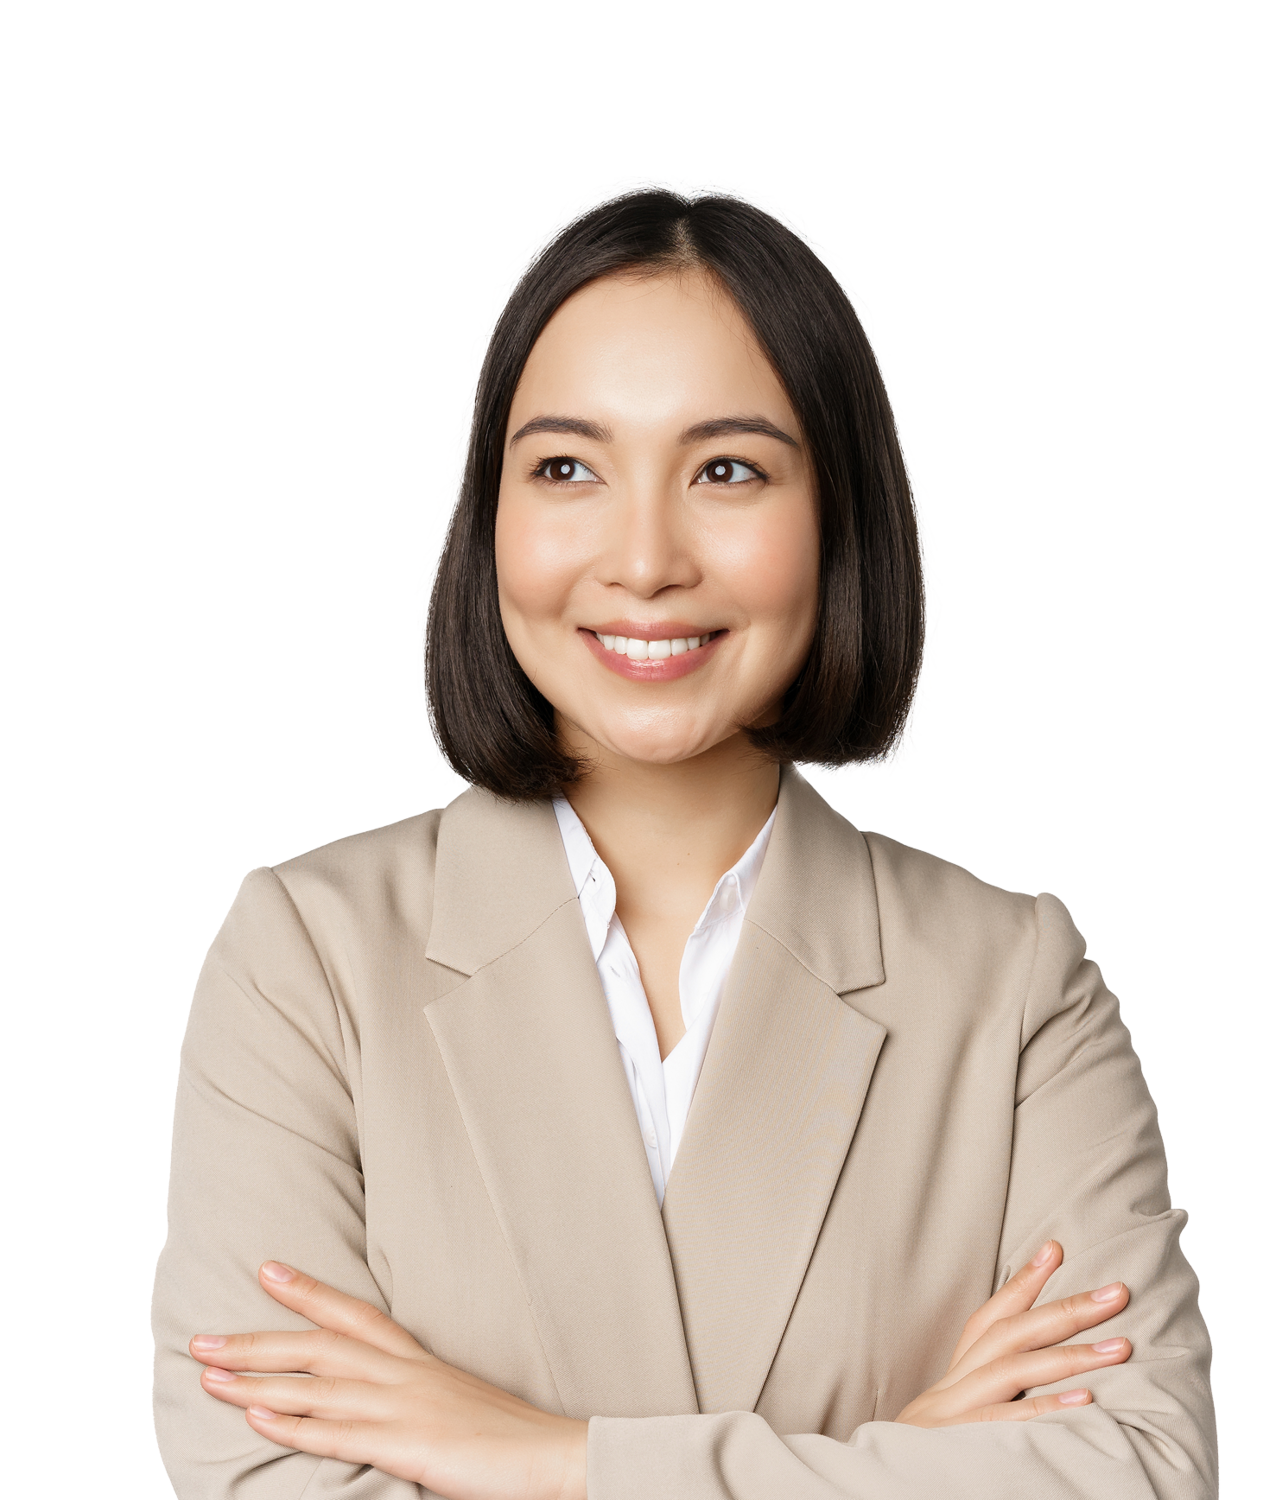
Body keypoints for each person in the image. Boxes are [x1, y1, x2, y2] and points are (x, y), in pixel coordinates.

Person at [150, 175, 1217, 1498]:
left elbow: (1136, 1473)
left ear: (838, 520)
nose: (644, 557)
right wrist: (902, 1461)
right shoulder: (306, 957)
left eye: (726, 470)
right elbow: (259, 1479)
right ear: (488, 520)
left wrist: (542, 1457)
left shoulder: (1011, 981)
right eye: (565, 468)